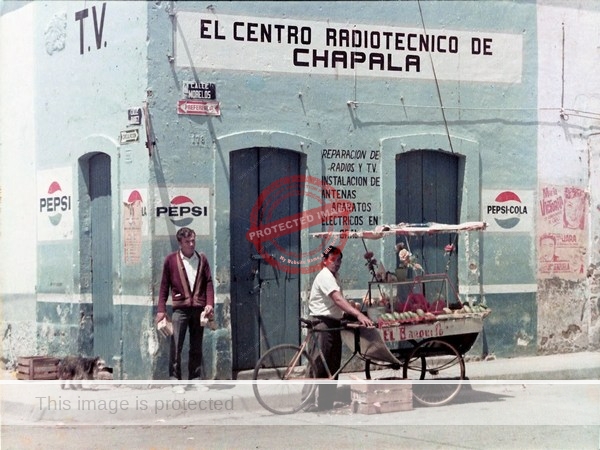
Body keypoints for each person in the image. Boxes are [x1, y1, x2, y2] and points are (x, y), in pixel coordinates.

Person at [307, 245, 373, 411]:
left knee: (333, 365)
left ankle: (325, 402)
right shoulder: (325, 276)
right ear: (325, 261)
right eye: (333, 260)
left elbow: (339, 302)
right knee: (318, 364)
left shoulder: (335, 276)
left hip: (334, 323)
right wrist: (358, 315)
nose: (336, 264)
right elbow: (337, 300)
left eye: (339, 261)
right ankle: (306, 401)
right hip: (322, 324)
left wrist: (350, 313)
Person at [156, 227, 214, 387]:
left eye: (193, 240)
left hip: (199, 310)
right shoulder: (171, 260)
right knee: (176, 345)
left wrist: (209, 304)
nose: (192, 243)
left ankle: (195, 378)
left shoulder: (202, 259)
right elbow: (163, 286)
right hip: (180, 310)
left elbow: (209, 282)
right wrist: (161, 310)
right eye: (188, 241)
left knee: (196, 345)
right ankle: (175, 379)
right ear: (180, 243)